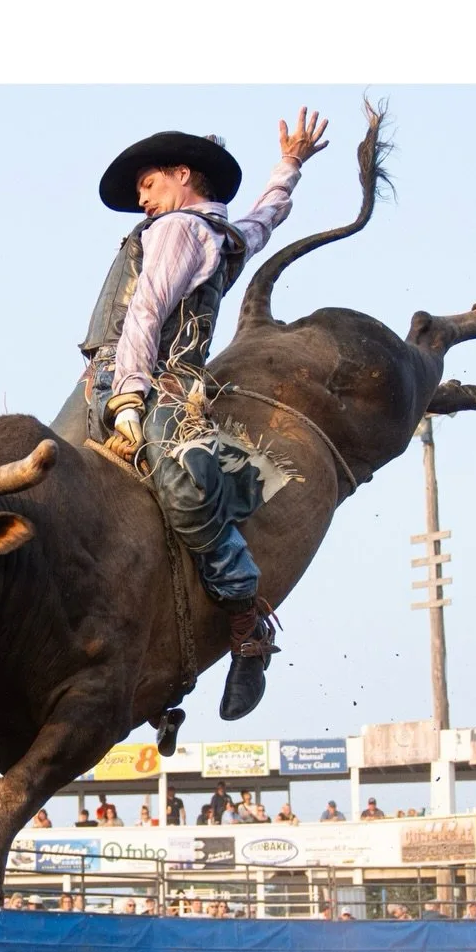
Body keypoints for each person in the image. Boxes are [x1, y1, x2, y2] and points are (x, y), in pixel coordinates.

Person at [82, 109, 329, 719]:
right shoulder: (219, 236)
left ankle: (246, 621)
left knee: (186, 483)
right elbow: (267, 217)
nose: (143, 201)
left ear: (182, 174)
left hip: (145, 383)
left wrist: (130, 395)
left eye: (149, 186)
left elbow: (145, 310)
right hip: (119, 379)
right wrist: (289, 166)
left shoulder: (180, 232)